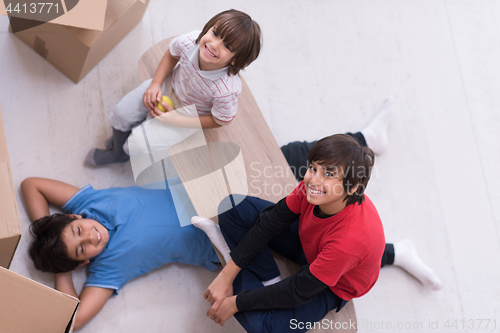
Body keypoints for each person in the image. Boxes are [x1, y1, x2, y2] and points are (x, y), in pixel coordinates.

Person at [191, 98, 442, 332]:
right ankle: (267, 277)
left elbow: (297, 290)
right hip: (310, 243)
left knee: (263, 326)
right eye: (313, 168)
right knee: (232, 207)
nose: (313, 179)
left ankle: (231, 254)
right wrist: (227, 274)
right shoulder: (313, 188)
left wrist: (236, 302)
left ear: (353, 188)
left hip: (333, 284)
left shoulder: (346, 244)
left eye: (328, 174)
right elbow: (272, 221)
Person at [21, 177, 220, 330]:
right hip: (222, 237)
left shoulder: (90, 203)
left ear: (73, 217)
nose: (91, 237)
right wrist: (62, 267)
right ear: (81, 263)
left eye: (79, 230)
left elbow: (31, 185)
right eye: (81, 249)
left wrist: (46, 229)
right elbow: (74, 319)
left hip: (202, 183)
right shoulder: (107, 268)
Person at [85, 9, 262, 166]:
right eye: (215, 33)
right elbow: (172, 54)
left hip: (188, 114)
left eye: (227, 46)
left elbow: (221, 120)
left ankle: (121, 153)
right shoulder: (190, 41)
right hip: (167, 85)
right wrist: (155, 83)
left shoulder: (227, 90)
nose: (214, 45)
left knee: (136, 145)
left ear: (235, 60)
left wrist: (177, 120)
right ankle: (118, 148)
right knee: (122, 113)